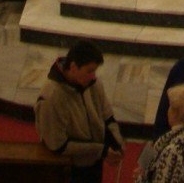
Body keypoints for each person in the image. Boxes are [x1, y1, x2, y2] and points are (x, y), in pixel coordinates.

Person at [36, 40, 121, 181]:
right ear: (74, 67)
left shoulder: (93, 84)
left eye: (95, 70)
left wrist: (116, 143)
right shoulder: (51, 97)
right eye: (89, 71)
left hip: (93, 163)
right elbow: (58, 146)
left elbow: (107, 116)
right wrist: (101, 150)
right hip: (69, 169)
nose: (94, 76)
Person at [134, 85, 184, 183]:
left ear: (177, 113)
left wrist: (140, 178)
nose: (167, 110)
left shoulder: (173, 151)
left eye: (170, 106)